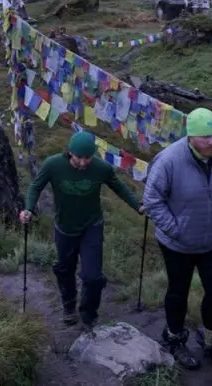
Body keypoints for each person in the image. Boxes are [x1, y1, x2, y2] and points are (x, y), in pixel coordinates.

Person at [141, 108, 212, 373]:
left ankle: (211, 339)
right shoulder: (168, 160)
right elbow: (152, 200)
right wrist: (175, 230)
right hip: (177, 244)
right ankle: (174, 337)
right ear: (191, 137)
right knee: (178, 292)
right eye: (206, 137)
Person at [19, 131, 144, 333]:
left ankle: (88, 315)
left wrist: (137, 206)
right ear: (70, 153)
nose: (84, 162)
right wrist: (29, 209)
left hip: (91, 226)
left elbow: (119, 187)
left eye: (88, 157)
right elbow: (35, 187)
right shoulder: (53, 165)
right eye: (80, 157)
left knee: (92, 276)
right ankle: (69, 306)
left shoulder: (101, 168)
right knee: (65, 270)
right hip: (65, 227)